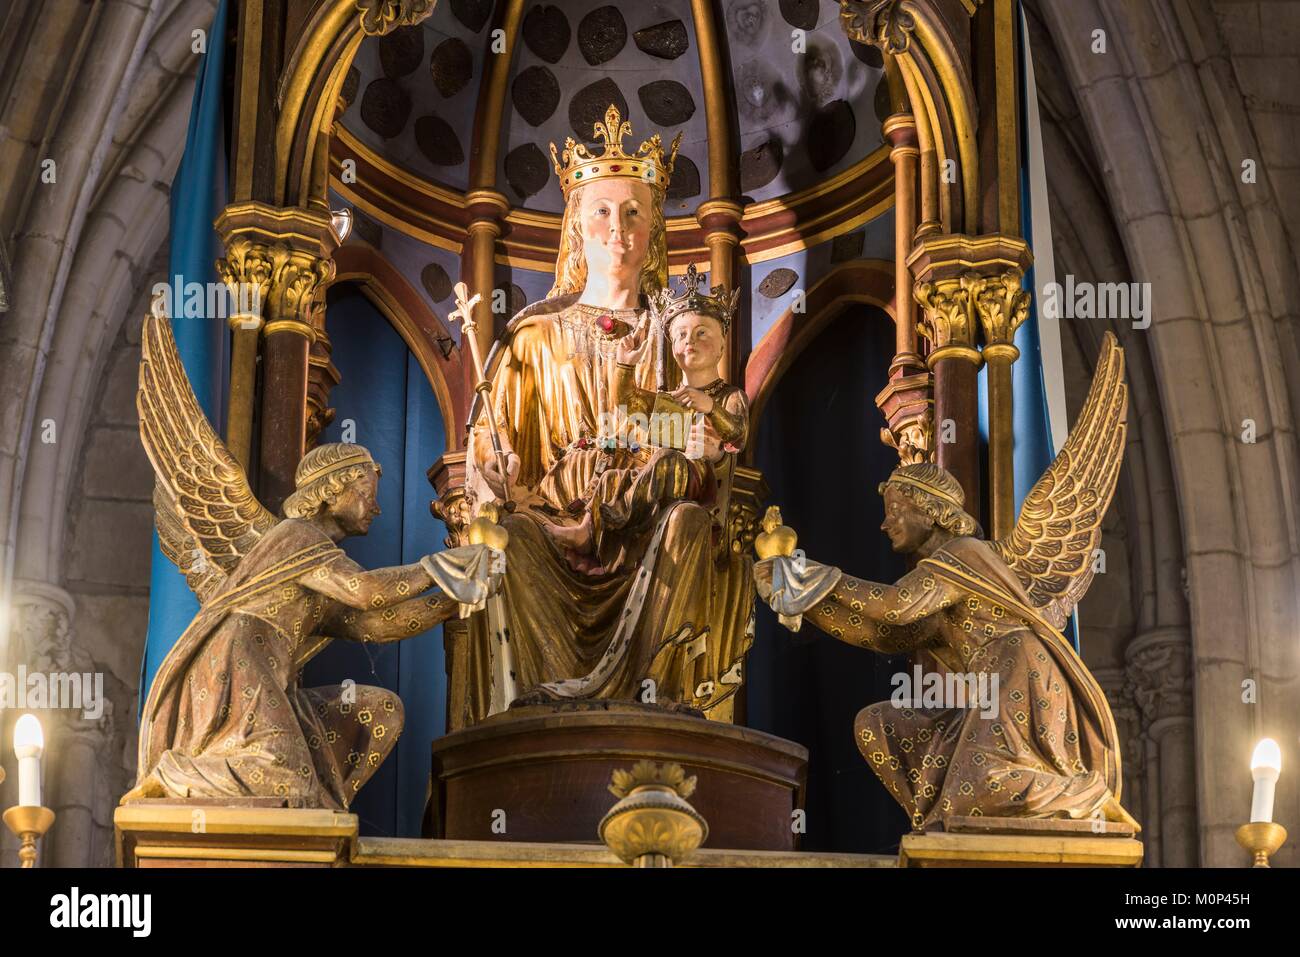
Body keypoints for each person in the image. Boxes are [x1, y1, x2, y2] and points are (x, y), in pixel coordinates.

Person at [456, 106, 754, 725]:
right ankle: (533, 722)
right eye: (601, 210)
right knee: (509, 540)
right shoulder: (533, 337)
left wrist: (659, 438)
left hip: (649, 514)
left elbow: (712, 434)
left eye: (634, 212)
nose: (617, 229)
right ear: (575, 226)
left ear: (654, 232)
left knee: (690, 527)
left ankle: (661, 706)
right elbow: (490, 448)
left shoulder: (678, 339)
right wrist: (499, 469)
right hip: (556, 514)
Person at [755, 462, 1138, 831]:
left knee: (979, 788)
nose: (885, 524)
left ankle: (1082, 795)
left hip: (1019, 671)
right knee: (877, 726)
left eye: (896, 511)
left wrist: (811, 576)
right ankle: (934, 827)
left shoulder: (964, 554)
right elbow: (887, 635)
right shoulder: (941, 580)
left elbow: (895, 606)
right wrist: (804, 601)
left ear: (930, 511)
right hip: (990, 686)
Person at [128, 443, 499, 808]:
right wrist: (445, 567)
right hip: (240, 664)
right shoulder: (296, 537)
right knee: (287, 779)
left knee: (382, 711)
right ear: (332, 490)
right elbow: (365, 590)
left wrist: (453, 601)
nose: (376, 507)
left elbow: (376, 625)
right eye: (366, 494)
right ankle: (174, 775)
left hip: (271, 676)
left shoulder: (318, 568)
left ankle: (321, 811)